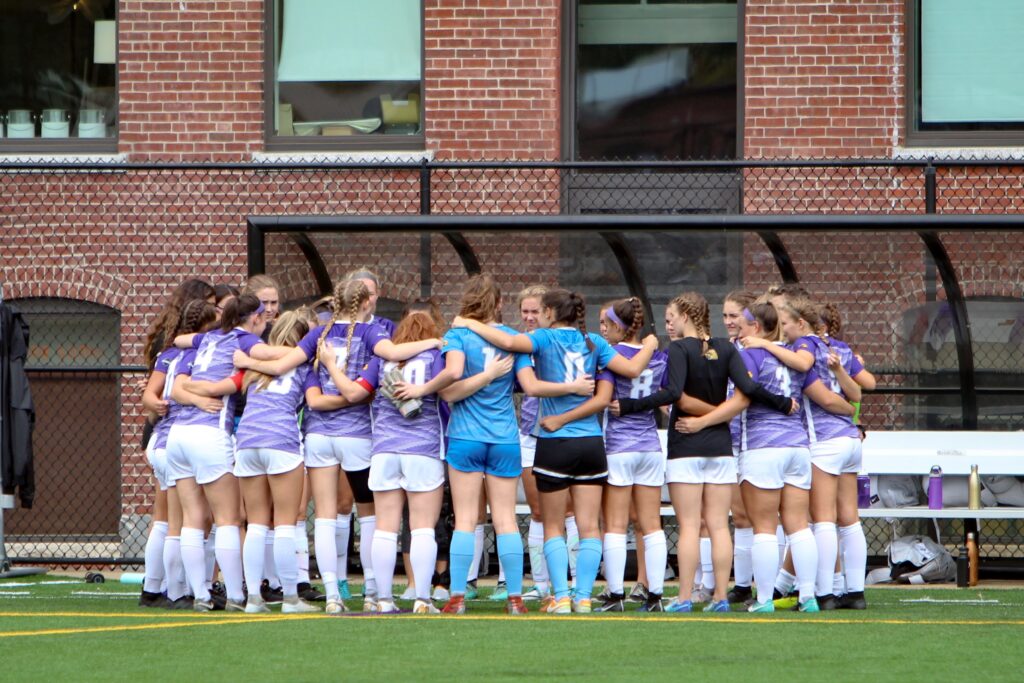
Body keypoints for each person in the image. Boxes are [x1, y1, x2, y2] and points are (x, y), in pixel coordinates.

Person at [233, 279, 440, 613]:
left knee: (325, 517)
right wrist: (433, 340)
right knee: (371, 515)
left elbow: (280, 366)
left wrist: (248, 363)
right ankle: (374, 592)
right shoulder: (371, 333)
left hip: (318, 436)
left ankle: (331, 595)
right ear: (365, 304)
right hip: (357, 433)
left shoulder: (318, 335)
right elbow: (392, 353)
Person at [454, 287, 658, 614]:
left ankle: (561, 596)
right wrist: (649, 344)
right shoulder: (595, 342)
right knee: (590, 526)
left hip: (555, 440)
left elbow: (507, 342)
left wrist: (468, 323)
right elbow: (632, 370)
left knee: (553, 526)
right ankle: (584, 597)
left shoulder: (545, 339)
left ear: (549, 313)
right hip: (591, 443)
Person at [613, 292, 794, 614]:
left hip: (686, 445)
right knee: (719, 525)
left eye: (673, 317)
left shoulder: (679, 349)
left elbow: (673, 394)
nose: (670, 323)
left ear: (685, 315)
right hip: (721, 447)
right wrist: (782, 403)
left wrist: (628, 406)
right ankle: (721, 596)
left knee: (691, 526)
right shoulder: (726, 348)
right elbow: (747, 390)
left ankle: (684, 597)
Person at [679, 300, 856, 613]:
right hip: (798, 447)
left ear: (756, 327)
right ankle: (808, 597)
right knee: (799, 526)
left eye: (743, 323)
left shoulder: (751, 353)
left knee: (762, 527)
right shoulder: (791, 356)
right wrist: (850, 413)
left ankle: (763, 601)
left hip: (763, 447)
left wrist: (704, 421)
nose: (736, 328)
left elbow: (741, 400)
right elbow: (822, 393)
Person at [318, 304, 461, 614]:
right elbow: (449, 391)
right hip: (422, 449)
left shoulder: (383, 359)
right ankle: (423, 598)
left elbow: (359, 391)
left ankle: (384, 599)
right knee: (423, 526)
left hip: (383, 449)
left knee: (385, 527)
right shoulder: (436, 356)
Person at [166, 294, 276, 611]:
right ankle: (236, 596)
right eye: (263, 316)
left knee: (192, 519)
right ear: (253, 317)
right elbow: (235, 380)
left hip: (178, 435)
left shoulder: (205, 339)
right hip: (209, 432)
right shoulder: (242, 340)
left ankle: (199, 595)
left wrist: (194, 392)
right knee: (228, 519)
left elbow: (176, 385)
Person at [234, 309, 321, 614]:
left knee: (256, 523)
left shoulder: (255, 369)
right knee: (285, 522)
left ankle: (254, 599)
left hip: (246, 440)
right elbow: (314, 401)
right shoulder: (305, 367)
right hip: (281, 440)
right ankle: (290, 598)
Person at [139, 299, 219, 608]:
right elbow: (161, 394)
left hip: (162, 440)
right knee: (186, 520)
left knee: (172, 520)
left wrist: (155, 404)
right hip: (178, 439)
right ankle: (179, 591)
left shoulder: (168, 353)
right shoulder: (203, 354)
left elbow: (151, 393)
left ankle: (164, 588)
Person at [594, 297, 670, 613]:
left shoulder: (611, 355)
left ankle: (615, 595)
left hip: (619, 446)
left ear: (618, 327)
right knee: (652, 523)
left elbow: (605, 396)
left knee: (614, 523)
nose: (600, 331)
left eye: (604, 325)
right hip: (650, 446)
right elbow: (665, 397)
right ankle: (655, 595)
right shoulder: (658, 357)